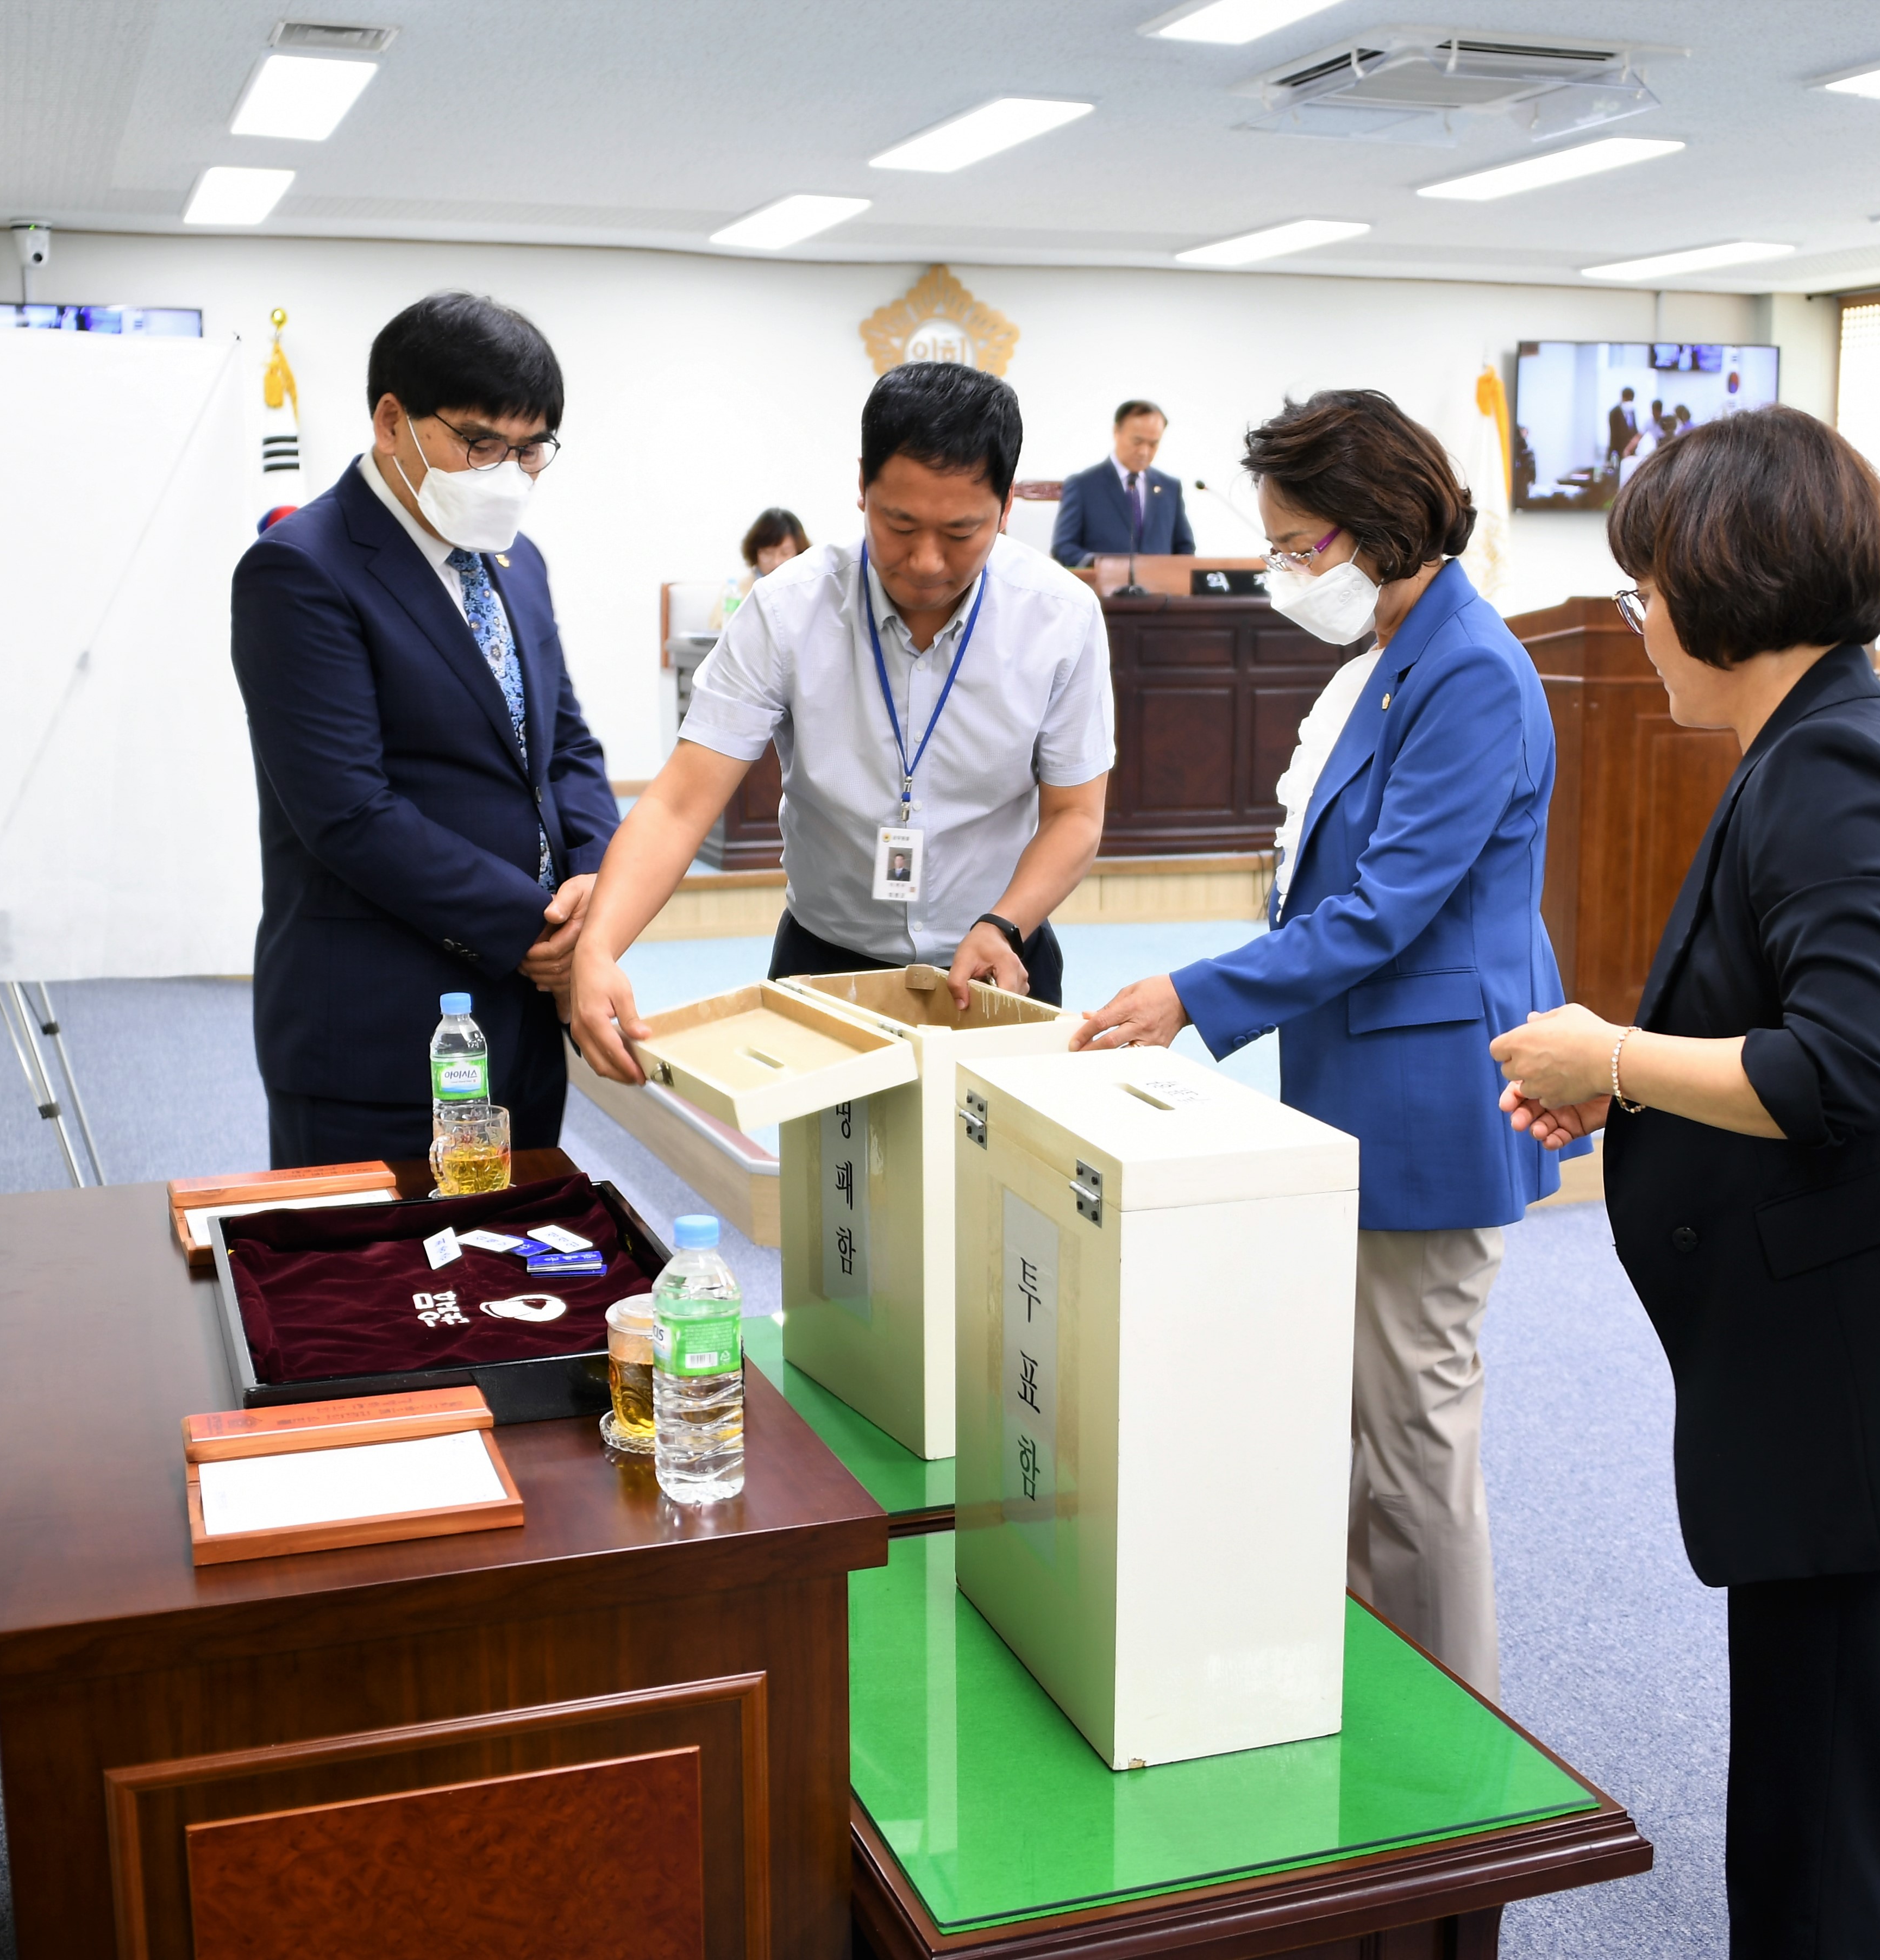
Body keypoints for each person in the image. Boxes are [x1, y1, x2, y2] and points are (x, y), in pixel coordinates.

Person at [1488, 405, 1880, 1958]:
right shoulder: (1817, 743)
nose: (1638, 625)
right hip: (1856, 1359)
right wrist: (1622, 1085)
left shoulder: (1833, 770)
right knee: (1827, 1785)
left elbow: (1843, 1069)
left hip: (1866, 1378)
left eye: (1642, 590)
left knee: (1827, 1820)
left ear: (1722, 584)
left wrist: (1610, 1056)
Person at [1068, 389, 1570, 1699]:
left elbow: (1386, 910)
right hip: (1363, 1083)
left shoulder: (1468, 670)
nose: (1282, 572)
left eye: (1298, 547)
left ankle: (1459, 1748)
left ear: (1378, 527)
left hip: (1434, 1100)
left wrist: (1194, 992)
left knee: (1414, 1448)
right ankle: (1368, 1688)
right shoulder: (1394, 656)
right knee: (1355, 1438)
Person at [572, 361, 1112, 1069]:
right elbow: (678, 802)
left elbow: (1075, 813)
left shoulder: (1059, 617)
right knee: (838, 1182)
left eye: (960, 532)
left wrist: (1004, 921)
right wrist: (598, 947)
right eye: (899, 524)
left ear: (1006, 507)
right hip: (823, 962)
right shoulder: (787, 609)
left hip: (996, 960)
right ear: (861, 487)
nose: (924, 561)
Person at [229, 291, 618, 1166]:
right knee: (371, 1291)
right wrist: (534, 928)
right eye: (479, 443)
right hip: (377, 1026)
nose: (504, 473)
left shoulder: (517, 562)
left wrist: (599, 882)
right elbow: (347, 810)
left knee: (506, 1279)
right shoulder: (300, 570)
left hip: (520, 1017)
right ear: (391, 419)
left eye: (530, 449)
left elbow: (561, 747)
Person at [1052, 398, 1194, 562]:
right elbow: (1063, 547)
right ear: (1116, 432)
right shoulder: (1082, 485)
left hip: (1161, 587)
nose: (1144, 452)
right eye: (1137, 442)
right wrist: (1101, 566)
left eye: (1153, 444)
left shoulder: (1170, 487)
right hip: (1102, 586)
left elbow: (1185, 547)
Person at [710, 506, 810, 629]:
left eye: (785, 553)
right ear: (755, 552)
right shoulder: (735, 590)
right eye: (768, 553)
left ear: (799, 553)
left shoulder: (810, 589)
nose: (776, 562)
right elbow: (718, 628)